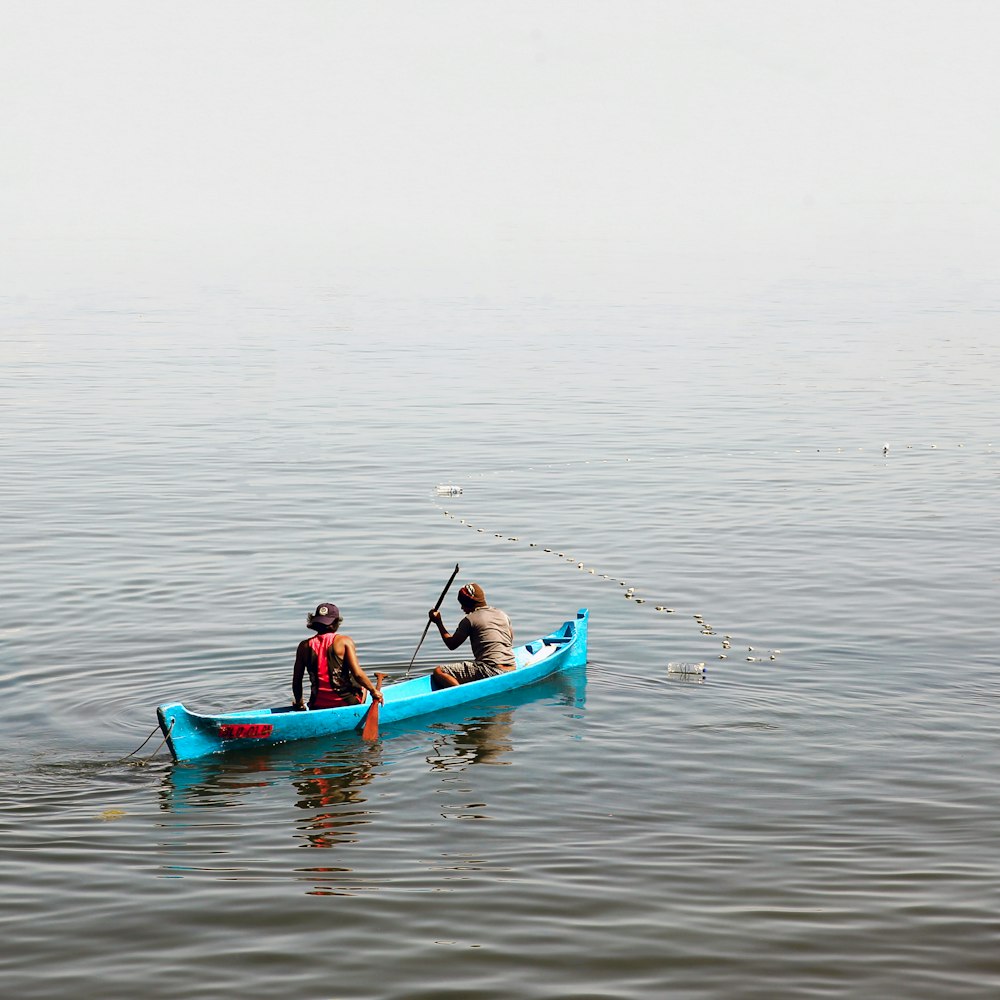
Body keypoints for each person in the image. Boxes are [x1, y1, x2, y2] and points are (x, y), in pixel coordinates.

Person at [292, 602, 384, 711]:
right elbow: (358, 674)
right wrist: (373, 691)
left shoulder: (303, 646)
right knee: (362, 688)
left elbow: (297, 680)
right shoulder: (345, 642)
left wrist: (299, 703)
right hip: (347, 702)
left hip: (317, 704)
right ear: (336, 623)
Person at [427, 582, 516, 690]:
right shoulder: (502, 615)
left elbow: (452, 644)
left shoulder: (469, 620)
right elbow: (509, 640)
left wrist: (439, 622)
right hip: (511, 668)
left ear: (469, 603)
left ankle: (460, 693)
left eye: (463, 604)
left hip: (490, 670)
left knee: (439, 671)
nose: (461, 608)